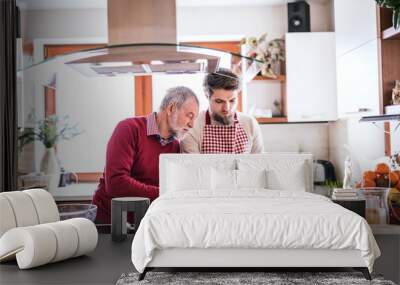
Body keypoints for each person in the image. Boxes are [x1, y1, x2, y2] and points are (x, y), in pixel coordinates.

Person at [92, 86, 199, 224]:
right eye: (189, 115)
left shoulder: (176, 147)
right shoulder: (129, 128)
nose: (192, 124)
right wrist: (166, 194)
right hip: (110, 223)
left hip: (143, 222)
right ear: (171, 108)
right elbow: (116, 183)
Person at [181, 68, 263, 154]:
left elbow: (259, 163)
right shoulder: (192, 127)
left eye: (232, 101)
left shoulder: (250, 124)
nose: (226, 108)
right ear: (207, 96)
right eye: (219, 101)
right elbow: (192, 166)